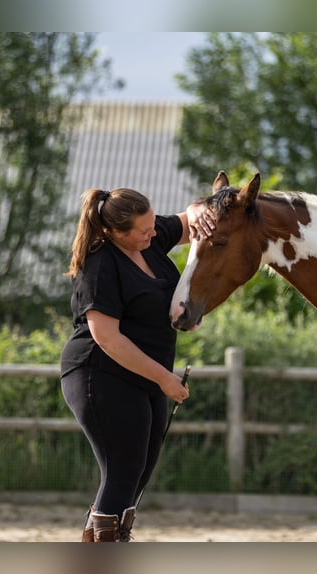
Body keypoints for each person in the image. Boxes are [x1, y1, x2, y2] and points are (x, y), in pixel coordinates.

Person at [60, 187, 214, 542]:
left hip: (145, 376)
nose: (153, 233)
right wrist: (164, 378)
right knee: (123, 470)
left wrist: (198, 208)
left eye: (152, 225)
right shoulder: (99, 264)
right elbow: (107, 338)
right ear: (115, 232)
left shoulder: (151, 239)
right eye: (143, 231)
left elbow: (191, 221)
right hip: (100, 374)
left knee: (139, 472)